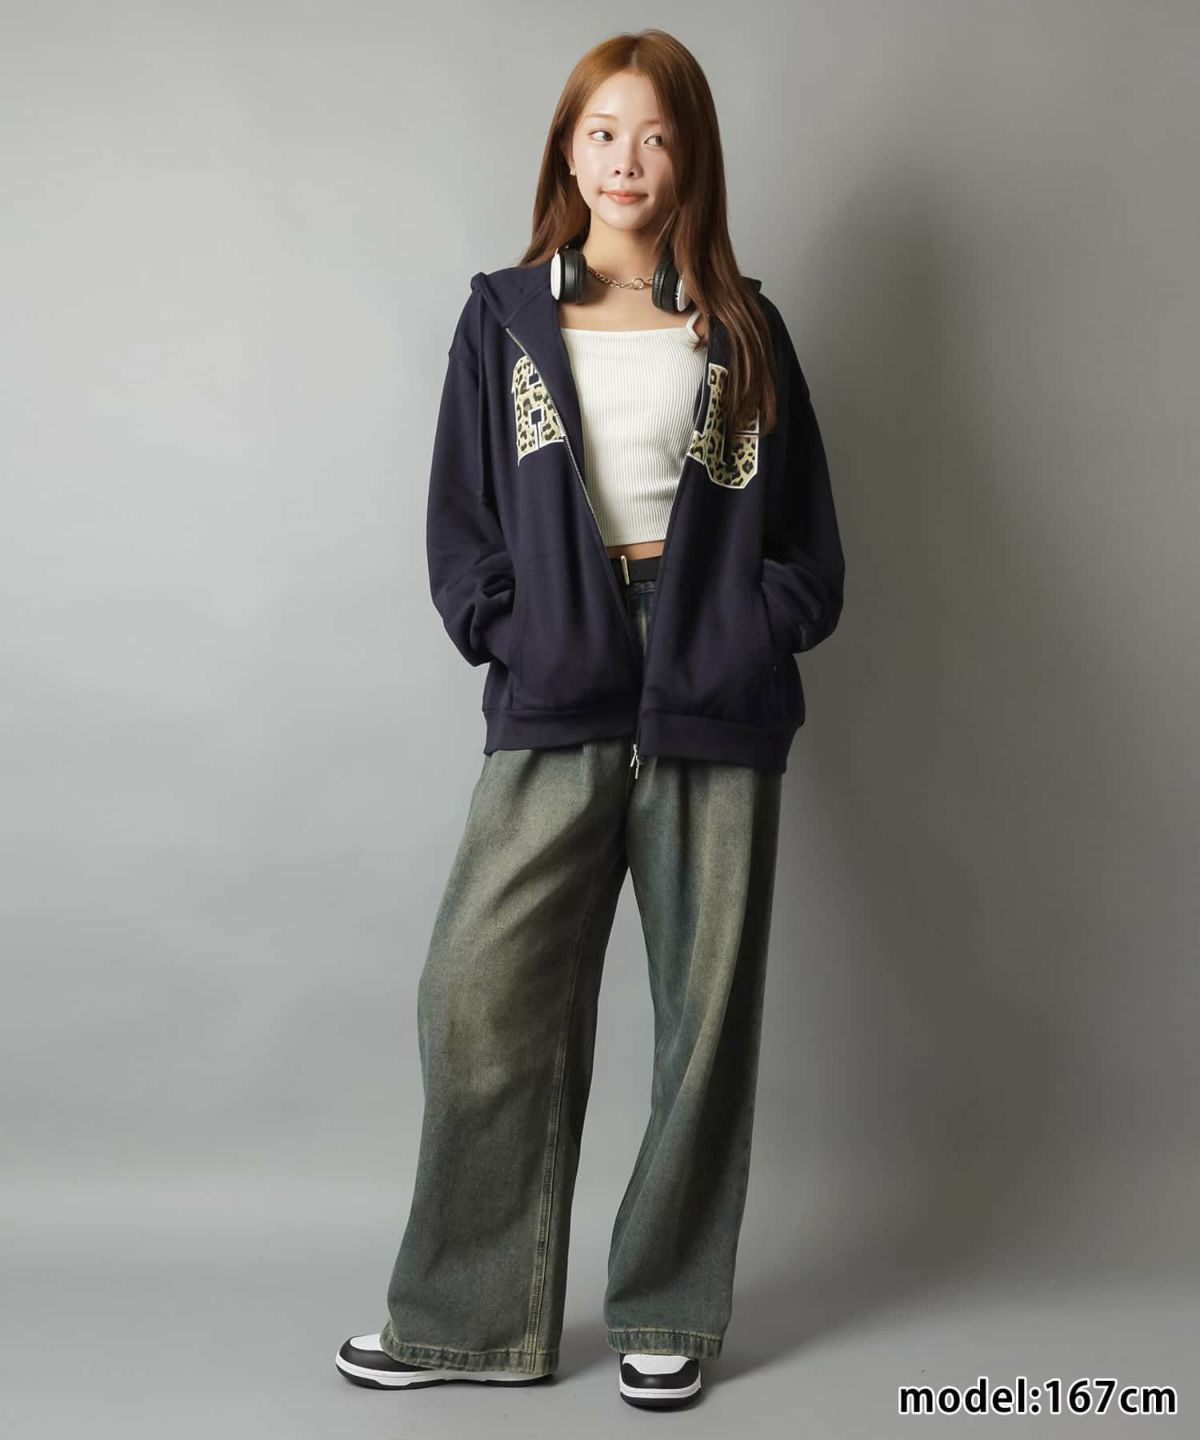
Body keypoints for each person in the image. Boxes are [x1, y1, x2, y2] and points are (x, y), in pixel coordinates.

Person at [335, 28, 845, 1412]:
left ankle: (666, 1308)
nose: (629, 159)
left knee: (704, 1017)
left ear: (691, 160)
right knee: (477, 994)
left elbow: (806, 540)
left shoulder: (743, 328)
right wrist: (512, 627)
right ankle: (465, 1320)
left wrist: (751, 625)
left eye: (657, 135)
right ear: (568, 151)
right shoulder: (504, 318)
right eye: (604, 131)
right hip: (559, 673)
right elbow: (460, 520)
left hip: (711, 682)